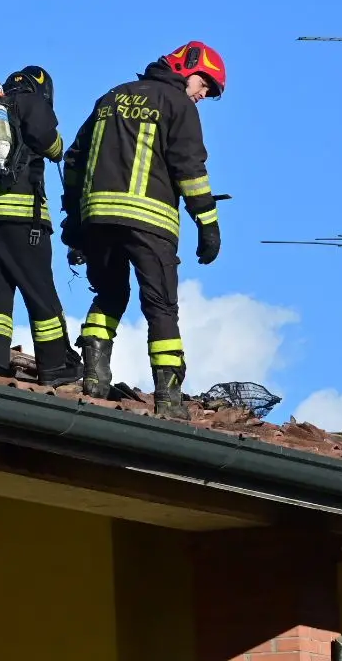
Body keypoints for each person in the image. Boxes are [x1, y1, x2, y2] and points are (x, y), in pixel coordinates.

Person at [60, 42, 225, 419]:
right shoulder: (178, 105)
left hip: (98, 219)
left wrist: (75, 219)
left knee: (110, 293)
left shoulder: (111, 97)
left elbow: (75, 159)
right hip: (150, 221)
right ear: (186, 67)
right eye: (204, 84)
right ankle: (168, 399)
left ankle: (93, 377)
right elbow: (190, 169)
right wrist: (208, 224)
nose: (203, 95)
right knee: (161, 307)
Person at [0, 66, 82, 385]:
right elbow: (51, 145)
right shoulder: (30, 102)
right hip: (22, 218)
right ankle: (55, 365)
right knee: (39, 290)